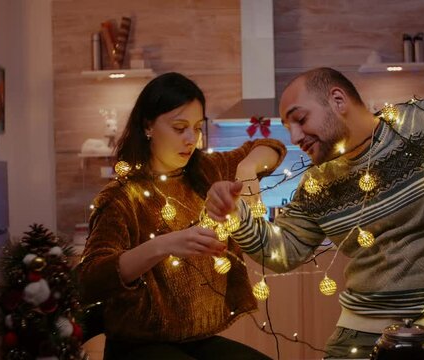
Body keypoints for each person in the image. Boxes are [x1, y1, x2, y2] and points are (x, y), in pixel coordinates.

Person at [204, 67, 424, 358]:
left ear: (338, 100)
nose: (294, 135)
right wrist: (235, 213)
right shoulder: (316, 183)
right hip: (355, 340)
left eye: (300, 119)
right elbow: (282, 253)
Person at [76, 72, 286, 360]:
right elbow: (91, 278)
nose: (192, 139)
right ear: (148, 125)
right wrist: (164, 245)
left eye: (197, 128)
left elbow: (272, 147)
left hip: (195, 340)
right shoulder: (122, 196)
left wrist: (247, 169)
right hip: (137, 345)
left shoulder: (207, 170)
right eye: (179, 128)